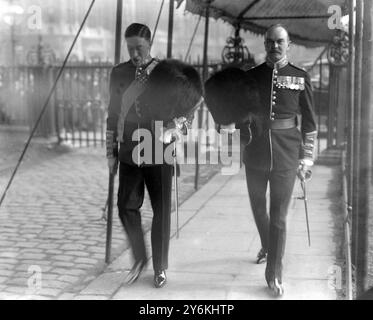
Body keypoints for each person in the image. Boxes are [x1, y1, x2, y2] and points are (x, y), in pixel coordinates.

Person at [105, 23, 202, 289]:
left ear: (150, 44)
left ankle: (160, 267)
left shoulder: (166, 72)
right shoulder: (119, 73)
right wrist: (110, 151)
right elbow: (113, 114)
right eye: (130, 48)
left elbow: (191, 105)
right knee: (126, 206)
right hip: (129, 149)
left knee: (161, 209)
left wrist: (176, 128)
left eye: (140, 48)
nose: (135, 53)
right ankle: (139, 259)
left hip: (160, 146)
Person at [243, 24, 317, 296]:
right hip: (256, 151)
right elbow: (242, 115)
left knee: (279, 217)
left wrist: (306, 158)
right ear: (265, 44)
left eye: (280, 42)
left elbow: (309, 122)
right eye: (270, 42)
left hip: (287, 153)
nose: (275, 47)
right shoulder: (251, 77)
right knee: (257, 206)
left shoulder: (300, 76)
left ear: (289, 45)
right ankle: (267, 244)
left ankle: (274, 274)